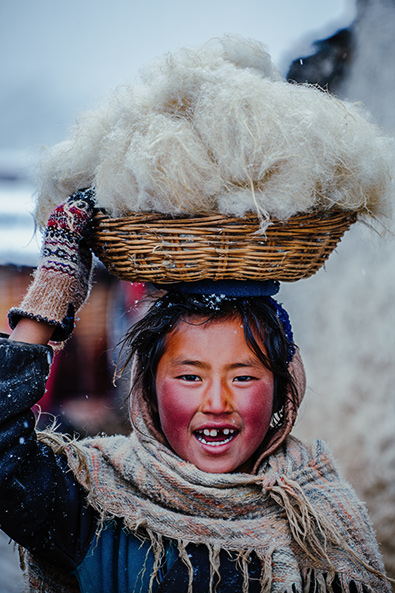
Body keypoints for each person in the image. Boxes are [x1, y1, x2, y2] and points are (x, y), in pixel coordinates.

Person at [0, 191, 391, 593]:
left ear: (282, 393)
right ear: (147, 390)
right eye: (190, 377)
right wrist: (52, 291)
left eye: (243, 378)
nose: (217, 404)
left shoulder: (318, 517)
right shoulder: (95, 506)